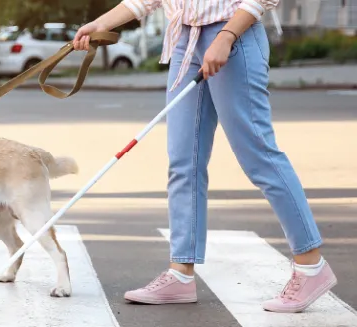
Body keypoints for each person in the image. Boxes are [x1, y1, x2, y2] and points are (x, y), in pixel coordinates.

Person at [72, 0, 337, 313]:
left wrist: (225, 36)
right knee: (184, 161)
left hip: (234, 35)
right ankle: (180, 273)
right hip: (185, 40)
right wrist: (102, 23)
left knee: (259, 156)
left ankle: (311, 266)